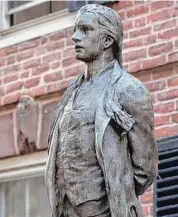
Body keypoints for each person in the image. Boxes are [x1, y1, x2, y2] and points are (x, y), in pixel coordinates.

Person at [45, 4, 158, 217]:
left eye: (85, 30)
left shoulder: (129, 90)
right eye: (75, 30)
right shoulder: (70, 93)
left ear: (107, 40)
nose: (75, 37)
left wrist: (118, 189)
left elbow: (146, 170)